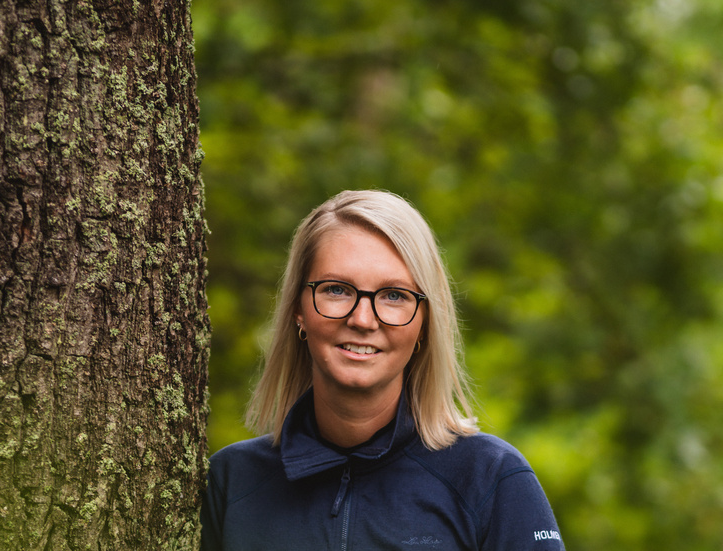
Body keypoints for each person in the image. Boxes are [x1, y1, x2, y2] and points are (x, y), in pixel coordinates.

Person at [201, 190, 564, 550]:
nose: (362, 319)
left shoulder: (490, 478)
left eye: (394, 295)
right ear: (299, 309)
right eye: (337, 289)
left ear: (424, 323)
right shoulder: (231, 483)